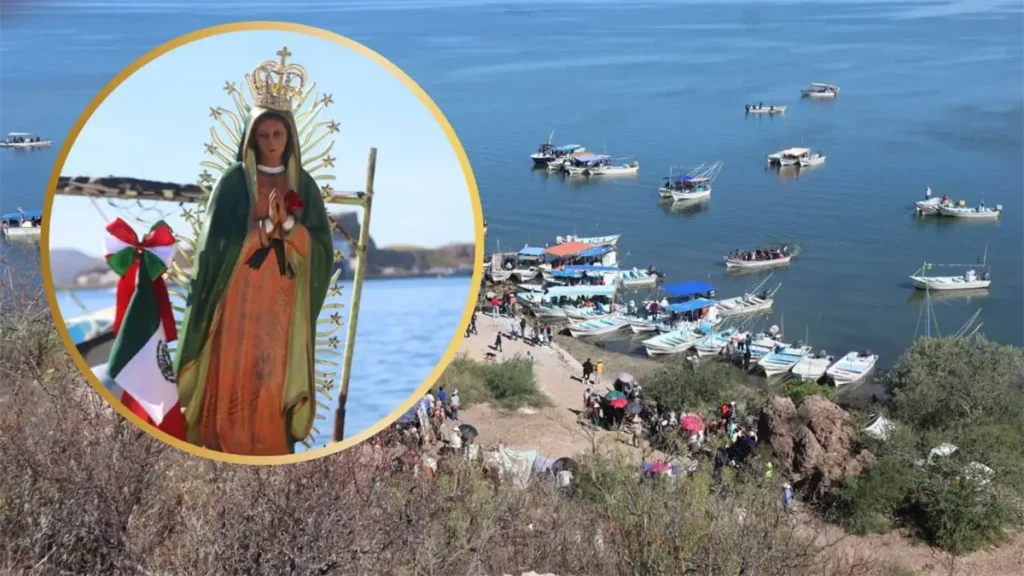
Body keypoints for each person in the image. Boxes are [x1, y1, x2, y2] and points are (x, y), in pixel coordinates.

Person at [174, 47, 334, 456]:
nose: (271, 143)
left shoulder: (306, 186)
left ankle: (269, 443)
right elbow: (215, 248)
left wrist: (290, 228)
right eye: (263, 136)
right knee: (232, 368)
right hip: (237, 295)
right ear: (251, 137)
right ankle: (221, 441)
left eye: (278, 134)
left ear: (290, 136)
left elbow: (320, 250)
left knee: (270, 373)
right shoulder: (232, 184)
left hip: (281, 301)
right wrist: (263, 230)